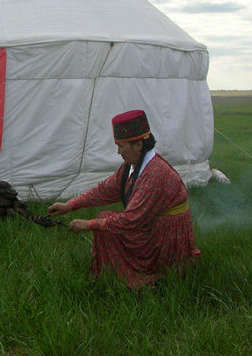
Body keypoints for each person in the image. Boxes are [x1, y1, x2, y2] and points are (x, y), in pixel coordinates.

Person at [48, 109, 200, 289]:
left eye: (122, 146)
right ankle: (112, 275)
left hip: (165, 237)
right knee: (104, 219)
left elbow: (132, 219)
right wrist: (70, 205)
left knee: (104, 224)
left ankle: (137, 279)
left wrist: (89, 225)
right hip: (152, 226)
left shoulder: (156, 174)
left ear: (138, 145)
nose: (118, 152)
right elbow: (104, 190)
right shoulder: (133, 166)